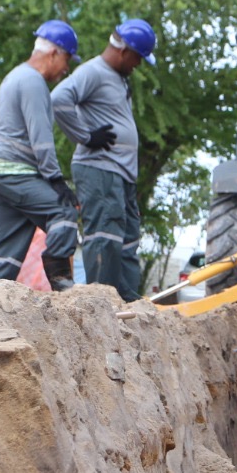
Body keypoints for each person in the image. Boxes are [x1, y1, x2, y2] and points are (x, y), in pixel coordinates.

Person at [52, 18, 157, 301]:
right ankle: (102, 305)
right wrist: (85, 136)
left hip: (121, 173)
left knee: (127, 240)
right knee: (105, 237)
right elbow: (59, 99)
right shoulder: (94, 72)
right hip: (100, 170)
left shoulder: (118, 79)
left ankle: (127, 303)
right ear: (124, 51)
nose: (139, 64)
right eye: (138, 58)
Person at [0, 20, 82, 290]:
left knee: (7, 247)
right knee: (64, 212)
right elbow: (41, 138)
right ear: (54, 53)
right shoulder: (33, 82)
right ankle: (60, 276)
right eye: (67, 59)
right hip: (14, 172)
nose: (66, 69)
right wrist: (56, 180)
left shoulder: (14, 76)